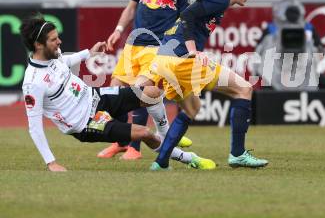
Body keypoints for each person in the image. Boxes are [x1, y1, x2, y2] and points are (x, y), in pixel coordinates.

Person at [20, 17, 215, 171]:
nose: (59, 42)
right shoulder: (33, 83)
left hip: (96, 96)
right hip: (86, 123)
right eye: (54, 39)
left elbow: (65, 61)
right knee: (144, 133)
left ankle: (166, 134)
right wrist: (51, 163)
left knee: (153, 92)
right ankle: (189, 158)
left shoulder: (53, 55)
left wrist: (90, 53)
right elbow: (34, 128)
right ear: (38, 45)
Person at [146, 0, 268, 170]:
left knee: (192, 108)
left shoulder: (220, 2)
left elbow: (183, 21)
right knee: (244, 88)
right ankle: (238, 154)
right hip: (181, 59)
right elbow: (187, 16)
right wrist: (193, 50)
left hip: (165, 60)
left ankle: (161, 162)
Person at [97, 0, 193, 160]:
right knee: (116, 89)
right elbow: (131, 7)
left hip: (158, 47)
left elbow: (186, 20)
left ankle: (135, 148)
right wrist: (118, 30)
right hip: (133, 44)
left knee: (141, 92)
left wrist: (181, 47)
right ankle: (121, 142)